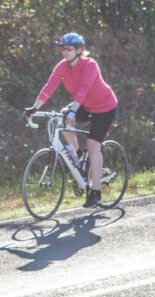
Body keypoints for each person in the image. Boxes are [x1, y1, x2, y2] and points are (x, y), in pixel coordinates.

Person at [24, 33, 118, 208]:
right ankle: (80, 157)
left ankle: (95, 193)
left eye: (69, 48)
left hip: (105, 107)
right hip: (86, 106)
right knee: (62, 116)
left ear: (79, 49)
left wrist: (73, 111)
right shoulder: (62, 67)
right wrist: (34, 108)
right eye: (63, 48)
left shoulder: (90, 65)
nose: (65, 52)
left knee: (93, 144)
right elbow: (49, 87)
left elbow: (83, 91)